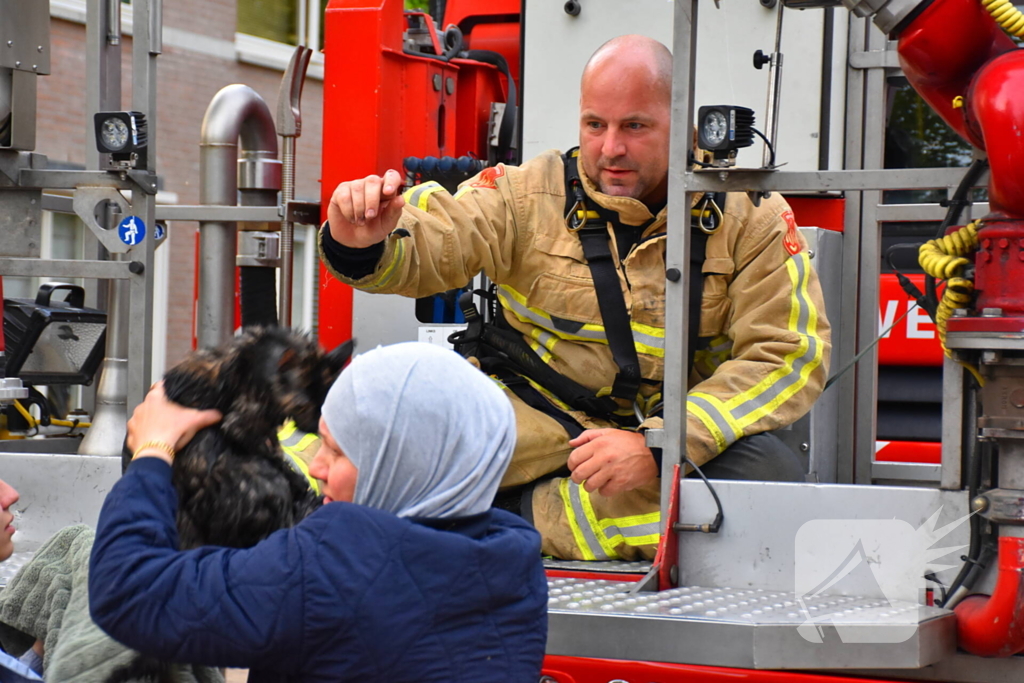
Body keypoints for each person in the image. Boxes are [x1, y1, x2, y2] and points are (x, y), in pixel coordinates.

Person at [319, 34, 832, 562]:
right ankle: (521, 516)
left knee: (767, 478)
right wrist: (361, 240)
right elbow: (437, 236)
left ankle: (505, 520)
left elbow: (789, 354)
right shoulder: (526, 195)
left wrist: (661, 444)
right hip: (526, 429)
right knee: (388, 448)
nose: (610, 148)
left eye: (635, 126)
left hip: (663, 444)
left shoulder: (753, 217)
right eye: (595, 125)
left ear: (683, 126)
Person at [88, 342, 548, 683]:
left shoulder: (337, 567)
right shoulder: (512, 556)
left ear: (399, 460)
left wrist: (154, 449)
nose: (316, 466)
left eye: (337, 450)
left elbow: (129, 591)